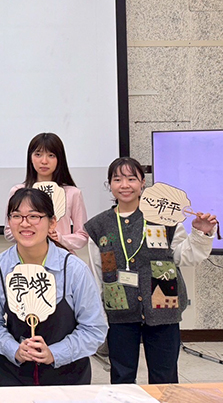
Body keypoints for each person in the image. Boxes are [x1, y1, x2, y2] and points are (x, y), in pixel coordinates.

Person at [84, 157, 217, 385]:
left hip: (163, 308)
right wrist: (100, 317)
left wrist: (201, 234)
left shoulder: (165, 219)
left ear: (142, 183)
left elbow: (184, 256)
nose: (125, 185)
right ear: (110, 184)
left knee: (165, 377)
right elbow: (97, 275)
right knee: (122, 376)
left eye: (131, 179)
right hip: (120, 310)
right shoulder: (98, 226)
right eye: (117, 179)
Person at [0, 188, 107, 386]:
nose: (25, 223)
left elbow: (94, 328)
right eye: (16, 216)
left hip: (68, 375)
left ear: (52, 222)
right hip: (14, 375)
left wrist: (55, 353)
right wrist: (14, 349)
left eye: (34, 216)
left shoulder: (73, 269)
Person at [4, 133, 89, 253]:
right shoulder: (18, 191)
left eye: (51, 155)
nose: (44, 161)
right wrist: (29, 233)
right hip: (28, 257)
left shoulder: (72, 193)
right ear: (30, 158)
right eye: (38, 155)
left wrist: (60, 238)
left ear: (60, 159)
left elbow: (82, 236)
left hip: (61, 255)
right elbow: (8, 232)